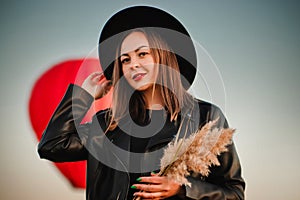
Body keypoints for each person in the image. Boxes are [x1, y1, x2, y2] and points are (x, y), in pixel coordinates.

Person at [38, 6, 245, 200]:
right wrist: (83, 95)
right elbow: (51, 146)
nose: (133, 64)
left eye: (142, 54)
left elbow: (234, 193)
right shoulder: (108, 124)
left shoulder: (206, 117)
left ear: (164, 57)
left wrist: (183, 188)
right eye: (125, 59)